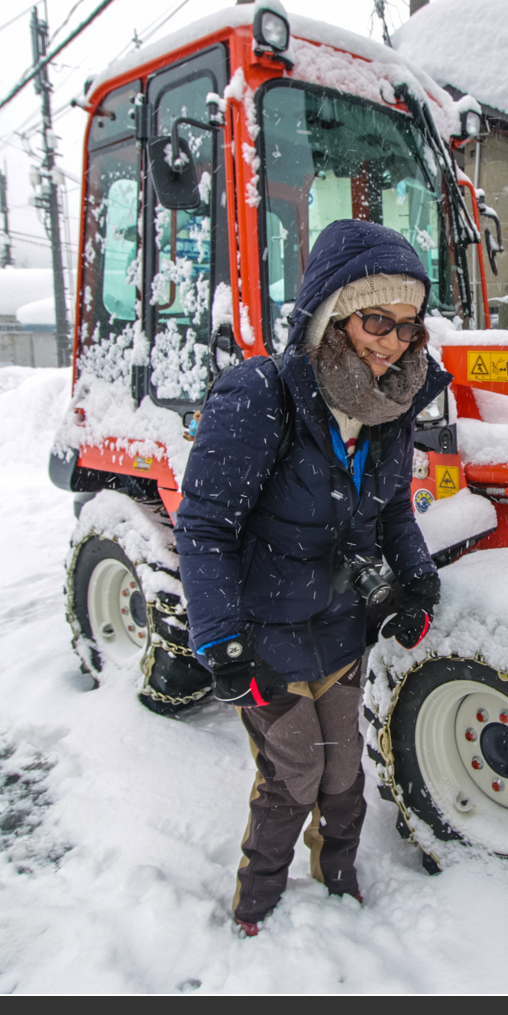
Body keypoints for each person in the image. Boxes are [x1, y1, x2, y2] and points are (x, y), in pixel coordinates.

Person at [173, 219, 450, 936]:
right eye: (375, 319)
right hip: (263, 636)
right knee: (293, 775)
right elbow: (203, 528)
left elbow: (391, 515)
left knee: (344, 778)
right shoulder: (262, 397)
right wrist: (222, 642)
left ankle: (338, 884)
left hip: (336, 630)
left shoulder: (388, 410)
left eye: (408, 325)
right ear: (332, 314)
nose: (392, 341)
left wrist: (417, 582)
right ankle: (257, 905)